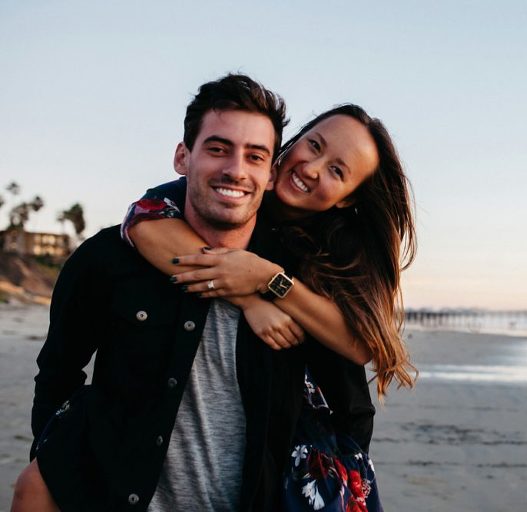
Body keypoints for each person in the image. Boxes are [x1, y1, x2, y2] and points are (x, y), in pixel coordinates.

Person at [12, 74, 307, 511]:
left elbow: (350, 402)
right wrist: (54, 469)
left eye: (255, 156)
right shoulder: (107, 259)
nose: (235, 169)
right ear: (182, 156)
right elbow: (57, 375)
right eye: (218, 148)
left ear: (270, 175)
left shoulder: (298, 274)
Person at [120, 102, 417, 510]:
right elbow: (145, 222)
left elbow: (362, 343)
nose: (312, 167)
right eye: (313, 146)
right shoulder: (240, 189)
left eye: (336, 171)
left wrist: (268, 279)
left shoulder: (342, 245)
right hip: (249, 433)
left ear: (349, 199)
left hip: (320, 454)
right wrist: (247, 299)